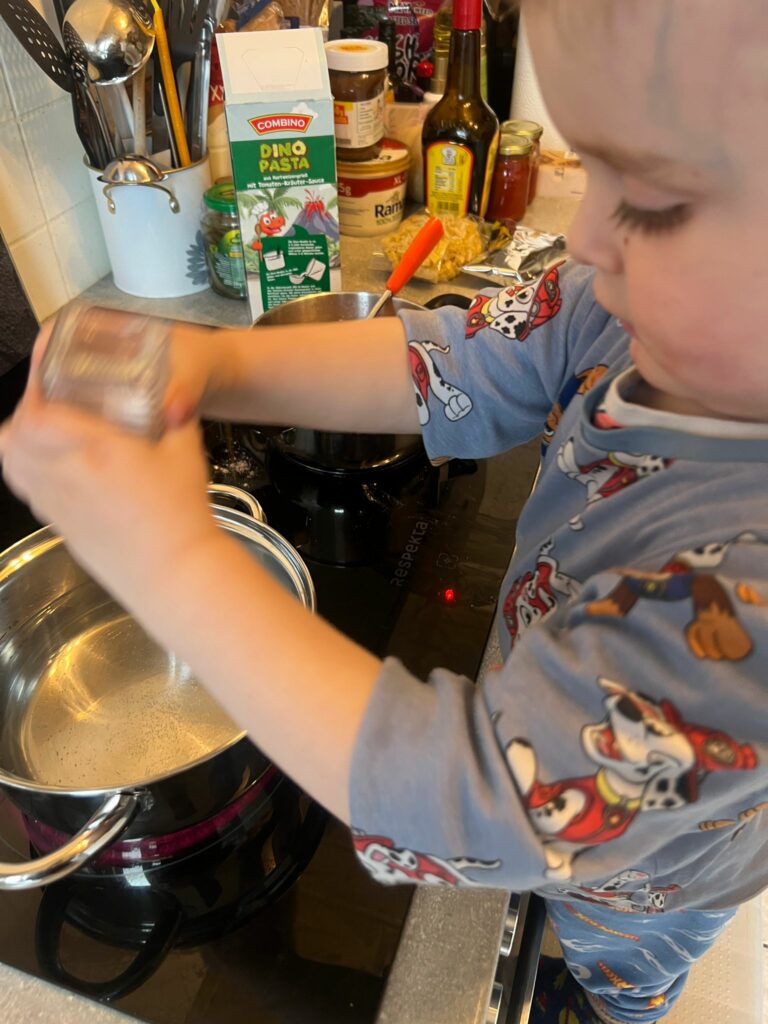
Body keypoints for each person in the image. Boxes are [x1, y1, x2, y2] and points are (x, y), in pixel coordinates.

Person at [2, 1, 767, 1021]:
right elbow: (464, 361)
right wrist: (210, 362)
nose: (586, 234)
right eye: (597, 170)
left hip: (641, 886)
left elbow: (483, 799)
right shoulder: (629, 308)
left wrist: (164, 553)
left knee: (605, 970)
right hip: (554, 702)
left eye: (657, 201)